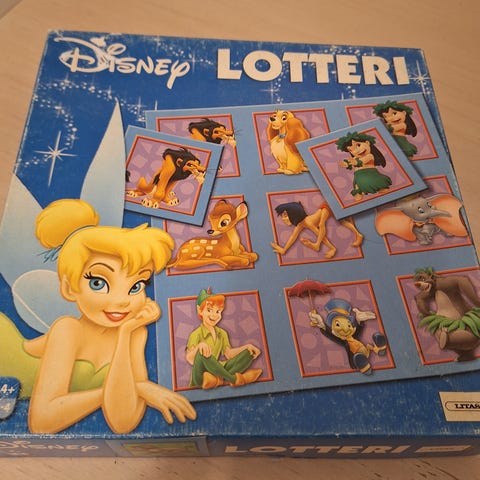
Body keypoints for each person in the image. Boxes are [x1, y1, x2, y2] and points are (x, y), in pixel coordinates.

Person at [0, 198, 196, 434]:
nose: (122, 300)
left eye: (136, 286)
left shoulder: (134, 332)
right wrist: (136, 389)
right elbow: (42, 421)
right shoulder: (68, 329)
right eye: (99, 283)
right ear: (69, 288)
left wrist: (125, 334)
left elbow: (123, 422)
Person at [185, 288, 262, 389]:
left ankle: (215, 380)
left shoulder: (222, 333)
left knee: (248, 353)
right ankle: (235, 379)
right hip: (200, 375)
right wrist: (199, 347)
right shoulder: (196, 334)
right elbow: (189, 358)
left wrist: (247, 347)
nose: (214, 315)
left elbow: (229, 354)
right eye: (209, 310)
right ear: (200, 310)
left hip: (217, 370)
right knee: (201, 354)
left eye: (218, 311)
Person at [271, 201, 363, 258]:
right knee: (342, 221)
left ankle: (319, 246)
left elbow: (320, 234)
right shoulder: (300, 224)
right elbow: (293, 237)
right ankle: (358, 235)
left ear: (293, 214)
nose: (283, 219)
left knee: (322, 224)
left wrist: (330, 248)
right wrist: (284, 250)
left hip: (326, 206)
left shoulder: (308, 222)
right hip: (326, 208)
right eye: (282, 216)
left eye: (285, 215)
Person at [336, 132, 392, 201]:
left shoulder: (370, 156)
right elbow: (350, 162)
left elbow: (363, 161)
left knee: (376, 182)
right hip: (358, 176)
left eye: (358, 145)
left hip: (370, 174)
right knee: (357, 187)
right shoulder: (355, 158)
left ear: (367, 143)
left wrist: (355, 162)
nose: (356, 151)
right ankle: (358, 195)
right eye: (351, 150)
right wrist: (346, 163)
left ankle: (382, 189)